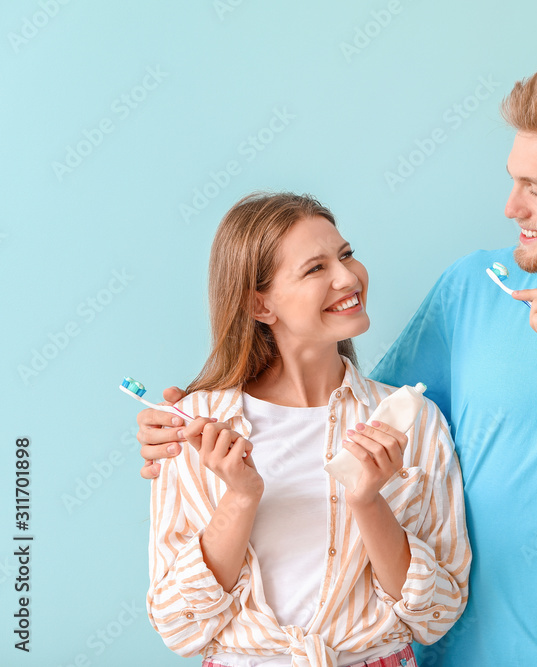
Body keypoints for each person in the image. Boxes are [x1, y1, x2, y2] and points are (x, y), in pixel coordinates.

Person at [139, 55, 537, 666]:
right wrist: (187, 423)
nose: (511, 207)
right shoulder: (473, 286)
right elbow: (347, 416)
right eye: (514, 179)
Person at [145, 192, 470, 667]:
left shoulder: (414, 420)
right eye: (316, 268)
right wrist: (239, 496)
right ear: (260, 306)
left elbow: (436, 613)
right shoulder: (198, 429)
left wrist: (367, 501)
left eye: (346, 255)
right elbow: (178, 625)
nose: (348, 278)